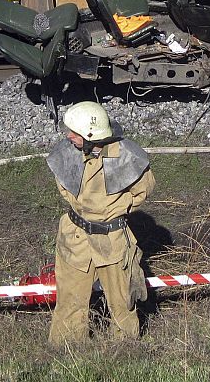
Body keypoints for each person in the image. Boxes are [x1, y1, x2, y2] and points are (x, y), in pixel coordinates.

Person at [47, 101, 155, 346]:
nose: (68, 136)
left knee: (122, 302)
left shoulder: (128, 157)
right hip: (75, 238)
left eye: (74, 133)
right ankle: (67, 350)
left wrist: (112, 211)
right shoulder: (67, 151)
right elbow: (64, 186)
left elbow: (142, 191)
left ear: (90, 135)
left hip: (113, 241)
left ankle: (124, 352)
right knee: (70, 301)